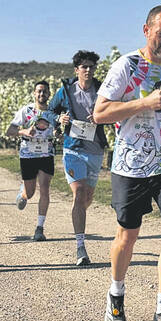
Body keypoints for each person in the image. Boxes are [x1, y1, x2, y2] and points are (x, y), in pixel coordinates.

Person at [93, 5, 161, 321]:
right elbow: (100, 113)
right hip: (131, 166)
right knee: (128, 237)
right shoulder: (128, 65)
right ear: (146, 30)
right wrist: (143, 103)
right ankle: (116, 294)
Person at [49, 51, 108, 265]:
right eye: (84, 67)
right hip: (72, 149)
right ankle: (80, 247)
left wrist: (102, 117)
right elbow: (49, 111)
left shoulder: (102, 90)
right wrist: (59, 118)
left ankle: (79, 215)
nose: (88, 70)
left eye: (91, 66)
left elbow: (113, 113)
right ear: (77, 70)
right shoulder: (66, 91)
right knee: (79, 193)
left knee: (87, 199)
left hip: (95, 150)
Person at [6, 81, 59, 241]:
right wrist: (24, 131)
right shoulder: (26, 110)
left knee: (45, 188)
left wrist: (58, 133)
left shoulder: (53, 113)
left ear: (49, 94)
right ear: (34, 93)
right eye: (39, 92)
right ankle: (23, 192)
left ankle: (39, 228)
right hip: (28, 155)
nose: (42, 95)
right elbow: (10, 131)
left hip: (46, 154)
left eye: (44, 92)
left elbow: (58, 130)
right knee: (30, 193)